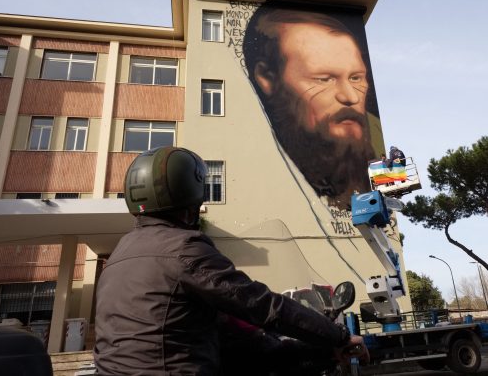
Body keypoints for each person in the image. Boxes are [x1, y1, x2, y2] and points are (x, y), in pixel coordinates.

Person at [94, 146, 368, 375]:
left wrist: (311, 351)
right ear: (192, 191)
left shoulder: (119, 255)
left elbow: (225, 331)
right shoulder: (183, 248)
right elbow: (258, 304)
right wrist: (338, 337)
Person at [243, 6, 377, 209]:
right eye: (325, 79)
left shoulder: (374, 146)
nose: (350, 97)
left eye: (356, 78)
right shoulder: (251, 151)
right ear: (267, 78)